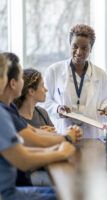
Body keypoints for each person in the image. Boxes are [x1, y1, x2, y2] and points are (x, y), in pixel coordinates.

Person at [0, 53, 75, 200]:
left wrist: (54, 147)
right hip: (7, 194)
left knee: (63, 193)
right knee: (68, 194)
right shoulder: (2, 113)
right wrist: (61, 151)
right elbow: (23, 160)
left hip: (10, 189)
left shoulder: (9, 110)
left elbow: (23, 146)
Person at [43, 24, 107, 138]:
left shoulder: (101, 75)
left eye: (84, 48)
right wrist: (57, 109)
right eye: (75, 46)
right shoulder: (54, 71)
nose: (79, 52)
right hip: (64, 132)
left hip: (91, 135)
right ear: (70, 45)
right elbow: (44, 102)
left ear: (91, 49)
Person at [0, 52, 82, 147]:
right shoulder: (6, 113)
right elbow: (27, 149)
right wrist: (67, 138)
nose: (46, 90)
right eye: (42, 85)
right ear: (31, 91)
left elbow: (34, 133)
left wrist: (50, 134)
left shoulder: (15, 110)